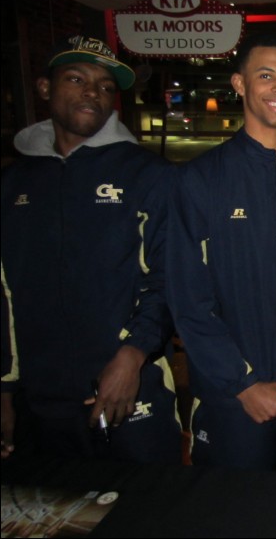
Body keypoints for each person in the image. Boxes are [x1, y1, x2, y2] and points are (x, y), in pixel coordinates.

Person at [167, 33, 276, 471]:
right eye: (265, 76)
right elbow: (188, 300)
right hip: (232, 401)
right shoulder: (200, 182)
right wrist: (241, 383)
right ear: (239, 84)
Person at [1, 35, 181, 463]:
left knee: (147, 513)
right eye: (77, 79)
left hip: (132, 385)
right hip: (39, 398)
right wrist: (5, 388)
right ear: (45, 88)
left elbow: (170, 277)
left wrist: (133, 354)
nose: (92, 93)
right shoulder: (13, 184)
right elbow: (3, 290)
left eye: (104, 86)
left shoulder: (147, 175)